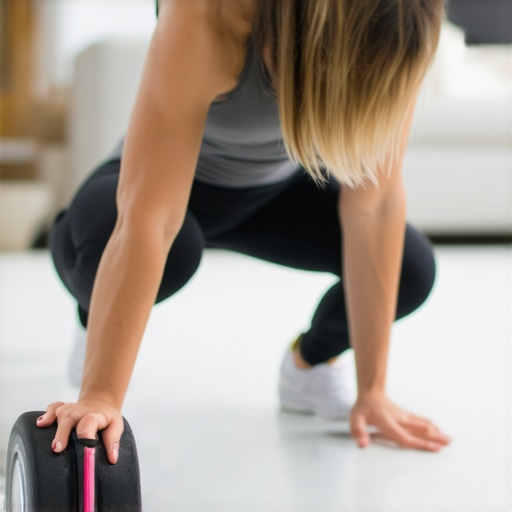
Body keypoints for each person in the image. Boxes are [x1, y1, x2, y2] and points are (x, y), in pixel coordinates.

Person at [37, 0, 452, 463]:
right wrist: (101, 396)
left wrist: (372, 389)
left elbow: (374, 206)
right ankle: (91, 309)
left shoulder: (395, 24)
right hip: (169, 181)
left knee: (411, 270)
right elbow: (152, 218)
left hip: (277, 191)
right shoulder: (208, 14)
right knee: (156, 252)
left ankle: (307, 367)